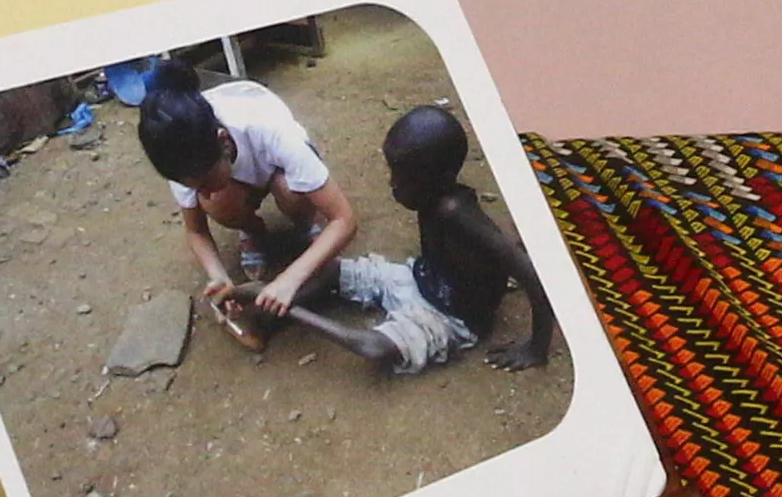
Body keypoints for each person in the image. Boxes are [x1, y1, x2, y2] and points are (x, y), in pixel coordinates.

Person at [139, 64, 360, 349]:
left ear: (224, 142)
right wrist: (218, 276)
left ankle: (306, 227)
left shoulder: (268, 129)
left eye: (205, 180)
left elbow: (344, 219)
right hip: (233, 171)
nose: (200, 192)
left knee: (290, 192)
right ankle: (252, 230)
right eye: (193, 186)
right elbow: (196, 231)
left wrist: (289, 279)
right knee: (216, 201)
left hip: (275, 167)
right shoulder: (181, 154)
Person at [380, 106, 552, 374]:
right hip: (435, 283)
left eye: (404, 178)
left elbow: (527, 271)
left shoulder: (454, 213)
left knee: (378, 346)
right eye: (394, 173)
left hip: (460, 313)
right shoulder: (431, 196)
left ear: (441, 178)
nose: (393, 184)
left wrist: (536, 348)